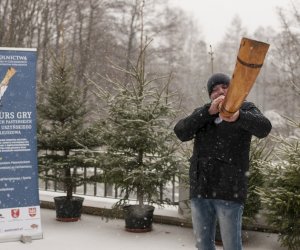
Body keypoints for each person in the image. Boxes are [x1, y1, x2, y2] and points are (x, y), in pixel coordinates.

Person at [174, 73, 272, 250]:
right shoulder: (205, 112)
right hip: (201, 191)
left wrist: (238, 116)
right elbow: (181, 132)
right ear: (210, 95)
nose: (219, 92)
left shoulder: (246, 108)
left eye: (224, 87)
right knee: (203, 245)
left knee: (231, 245)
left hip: (230, 192)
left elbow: (264, 128)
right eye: (214, 90)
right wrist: (208, 112)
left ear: (233, 89)